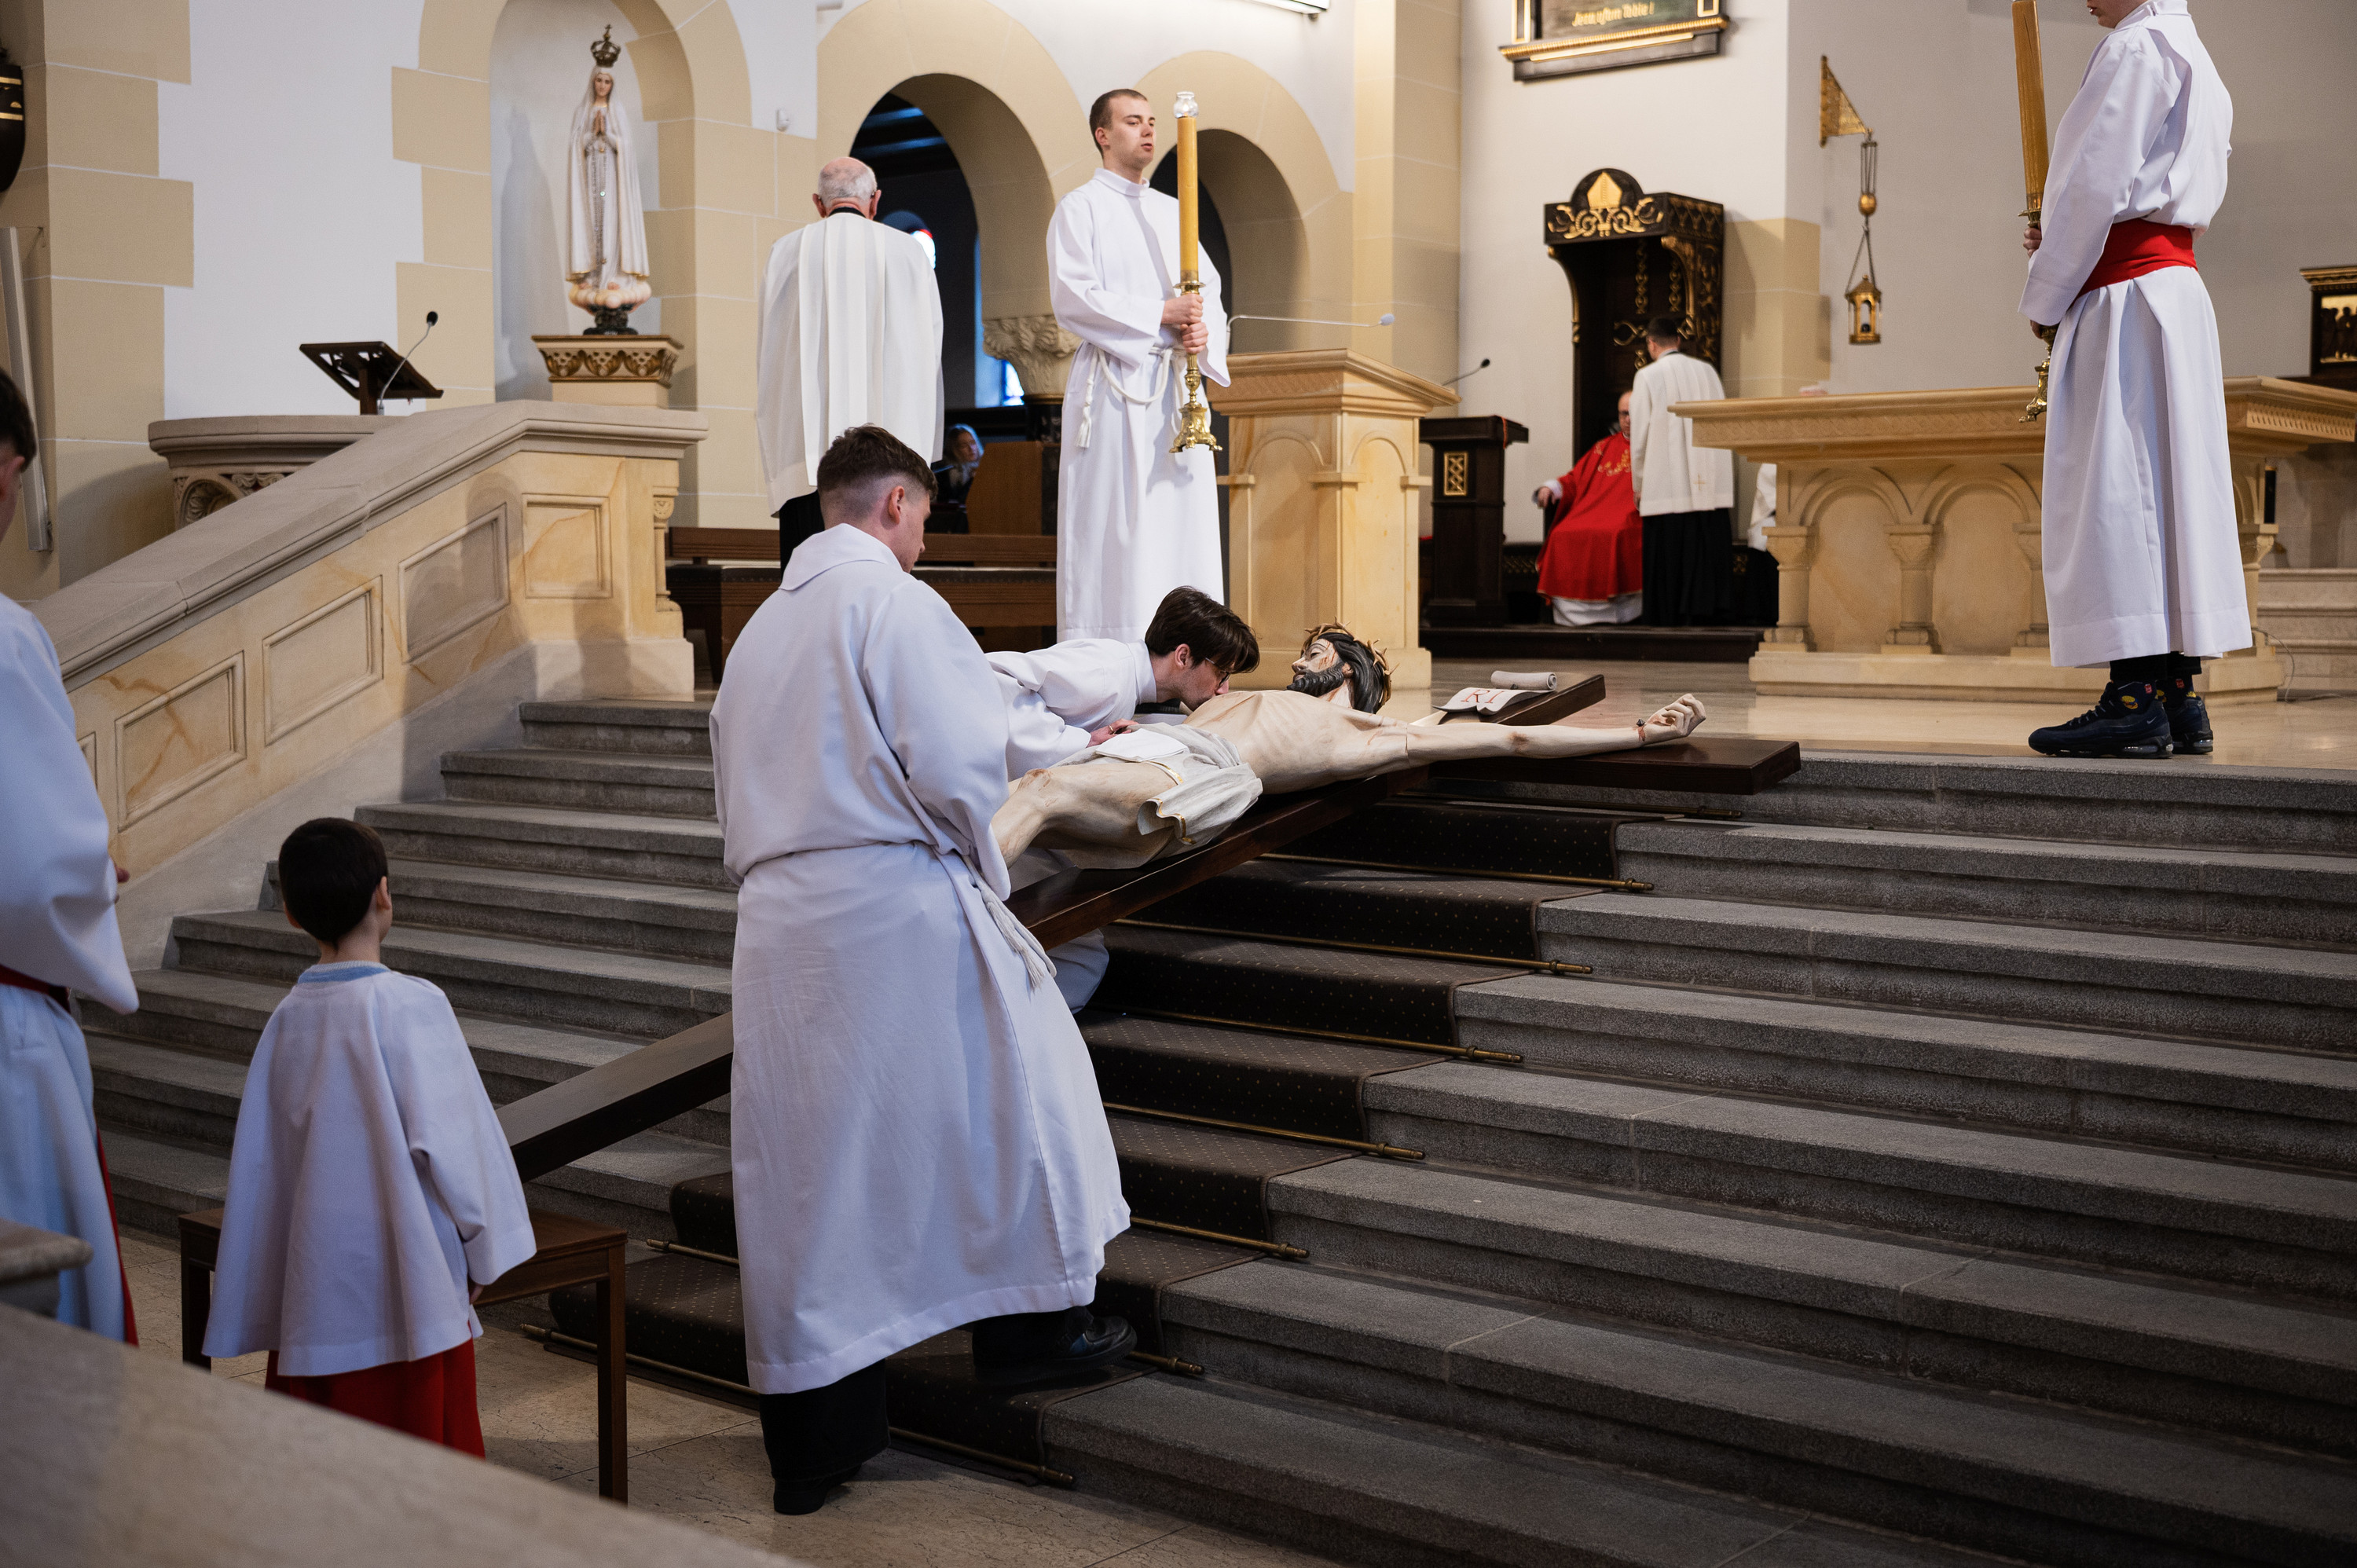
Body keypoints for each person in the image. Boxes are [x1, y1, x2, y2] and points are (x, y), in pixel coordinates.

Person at [709, 425, 1133, 1517]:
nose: (926, 540)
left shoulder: (759, 630)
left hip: (780, 925)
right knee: (1019, 1098)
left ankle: (817, 1440)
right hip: (887, 904)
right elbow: (955, 765)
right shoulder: (895, 604)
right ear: (895, 502)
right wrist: (982, 860)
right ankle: (1034, 1329)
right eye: (926, 518)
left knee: (813, 1180)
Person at [203, 819, 536, 1452]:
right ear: (384, 894)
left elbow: (265, 1162)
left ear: (291, 915)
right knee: (421, 1455)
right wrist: (485, 1245)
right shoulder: (411, 1004)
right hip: (408, 1282)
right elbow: (457, 1143)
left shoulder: (287, 1019)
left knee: (322, 1461)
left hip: (313, 1286)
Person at [2021, 0, 2238, 759]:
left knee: (2119, 487)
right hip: (2171, 291)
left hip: (2125, 296)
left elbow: (2093, 184)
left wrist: (2046, 288)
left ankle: (2134, 697)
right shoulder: (2195, 53)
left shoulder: (2136, 47)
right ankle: (2177, 693)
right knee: (2168, 492)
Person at [0, 367, 140, 1345]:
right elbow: (35, 873)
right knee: (48, 1347)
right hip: (7, 1032)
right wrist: (91, 876)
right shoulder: (6, 638)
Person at [989, 586, 1260, 1009]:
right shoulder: (1108, 670)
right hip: (995, 806)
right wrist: (1078, 743)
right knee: (1080, 959)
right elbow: (996, 681)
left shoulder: (1123, 681)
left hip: (1020, 814)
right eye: (1222, 673)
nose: (1224, 689)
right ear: (1183, 656)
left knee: (1080, 955)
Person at [1048, 89, 1230, 642]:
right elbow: (1073, 296)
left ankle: (1193, 655)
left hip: (1175, 390)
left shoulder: (1174, 212)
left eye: (1152, 121)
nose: (1149, 130)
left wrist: (1203, 332)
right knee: (1120, 529)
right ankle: (1115, 653)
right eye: (1133, 121)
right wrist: (1160, 314)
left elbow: (1209, 294)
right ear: (1103, 135)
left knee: (1182, 528)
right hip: (1115, 386)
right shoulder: (1080, 208)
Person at [757, 156, 945, 560]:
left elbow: (769, 359)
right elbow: (930, 355)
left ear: (818, 203)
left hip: (807, 472)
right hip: (892, 477)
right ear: (875, 201)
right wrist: (921, 453)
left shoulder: (786, 252)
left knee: (809, 582)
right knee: (884, 584)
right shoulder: (909, 253)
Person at [1627, 315, 1735, 626]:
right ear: (1678, 340)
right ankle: (1711, 612)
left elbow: (1639, 437)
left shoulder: (1647, 376)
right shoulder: (1708, 372)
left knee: (1669, 555)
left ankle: (1668, 617)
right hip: (1710, 488)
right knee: (1705, 547)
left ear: (1651, 344)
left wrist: (1639, 484)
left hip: (1667, 490)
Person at [1533, 390, 1644, 626]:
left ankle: (1620, 613)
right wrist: (1551, 487)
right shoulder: (1603, 447)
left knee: (1615, 533)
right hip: (1592, 513)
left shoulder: (1654, 447)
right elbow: (1575, 479)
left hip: (1630, 513)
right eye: (1624, 414)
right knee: (1561, 533)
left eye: (1634, 413)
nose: (1628, 420)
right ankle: (1568, 614)